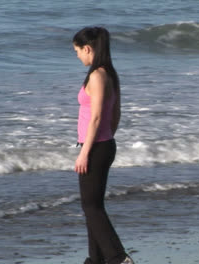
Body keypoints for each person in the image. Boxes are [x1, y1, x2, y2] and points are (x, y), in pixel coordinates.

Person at [73, 27, 134, 264]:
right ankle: (95, 260)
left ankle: (119, 259)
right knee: (93, 206)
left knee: (91, 207)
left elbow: (97, 117)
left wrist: (85, 153)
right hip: (103, 144)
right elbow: (115, 115)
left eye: (77, 51)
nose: (78, 56)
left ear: (87, 49)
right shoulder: (110, 74)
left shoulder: (97, 76)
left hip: (95, 147)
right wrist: (107, 139)